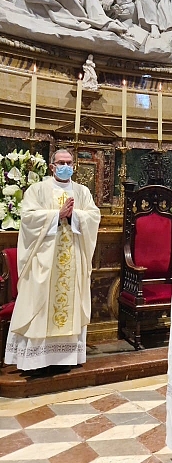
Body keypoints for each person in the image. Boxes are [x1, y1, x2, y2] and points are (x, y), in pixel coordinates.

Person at [4, 149, 101, 374]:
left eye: (69, 162)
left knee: (70, 302)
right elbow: (27, 218)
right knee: (39, 302)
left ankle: (66, 357)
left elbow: (93, 216)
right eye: (61, 162)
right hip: (44, 260)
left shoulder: (82, 191)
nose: (65, 166)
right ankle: (36, 361)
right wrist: (56, 215)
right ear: (52, 166)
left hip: (73, 258)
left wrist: (74, 216)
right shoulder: (37, 190)